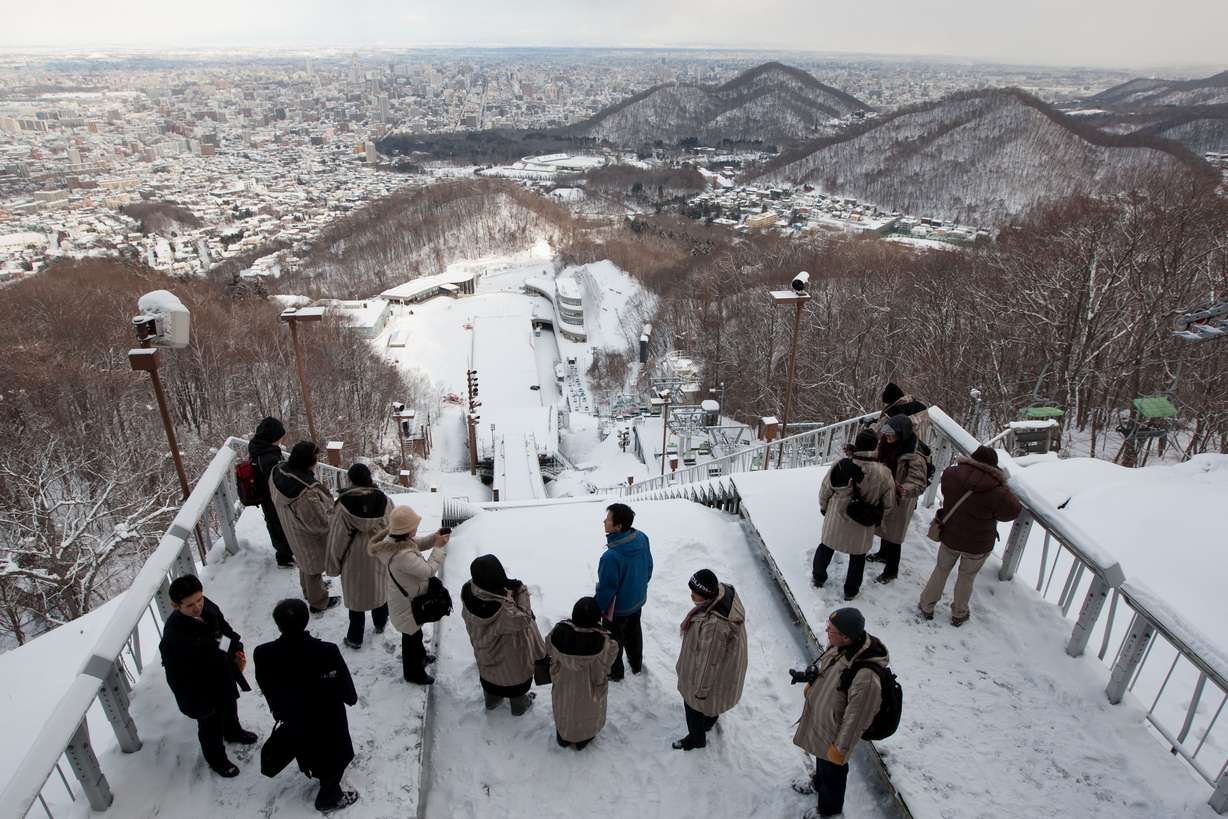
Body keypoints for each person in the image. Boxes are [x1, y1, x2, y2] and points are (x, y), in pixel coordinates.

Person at [254, 598, 359, 813]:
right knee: (339, 753)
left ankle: (313, 768)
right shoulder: (326, 651)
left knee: (307, 749)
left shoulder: (263, 653)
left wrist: (280, 708)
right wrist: (347, 697)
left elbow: (266, 686)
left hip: (294, 717)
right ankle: (329, 796)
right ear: (306, 620)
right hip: (328, 717)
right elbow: (349, 693)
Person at [792, 608, 890, 818]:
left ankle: (829, 811)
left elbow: (857, 719)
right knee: (821, 759)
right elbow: (829, 671)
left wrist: (840, 749)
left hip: (836, 733)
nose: (826, 630)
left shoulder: (866, 678)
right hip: (824, 722)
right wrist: (811, 681)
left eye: (831, 629)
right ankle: (818, 783)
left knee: (833, 773)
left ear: (846, 636)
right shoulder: (840, 646)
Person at [158, 574, 256, 778]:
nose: (198, 607)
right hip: (199, 688)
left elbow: (219, 632)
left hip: (221, 672)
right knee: (210, 725)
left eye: (200, 600)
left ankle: (232, 731)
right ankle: (217, 759)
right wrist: (194, 705)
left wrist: (235, 647)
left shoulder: (206, 608)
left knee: (229, 704)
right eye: (190, 605)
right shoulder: (173, 639)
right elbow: (177, 678)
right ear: (176, 606)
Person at [919, 445, 1022, 626]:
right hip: (978, 544)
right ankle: (959, 613)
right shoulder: (998, 491)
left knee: (941, 570)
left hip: (951, 534)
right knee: (966, 577)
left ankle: (926, 605)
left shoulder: (951, 474)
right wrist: (1004, 482)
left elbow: (946, 491)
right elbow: (1012, 511)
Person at [370, 506, 449, 684]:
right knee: (411, 640)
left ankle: (420, 657)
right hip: (407, 605)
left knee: (414, 635)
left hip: (404, 599)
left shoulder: (393, 542)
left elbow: (416, 544)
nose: (416, 529)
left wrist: (434, 538)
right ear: (406, 530)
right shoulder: (403, 556)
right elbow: (428, 570)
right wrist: (438, 547)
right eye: (414, 526)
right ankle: (414, 674)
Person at [813, 430, 895, 600]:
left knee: (826, 547)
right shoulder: (884, 473)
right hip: (863, 523)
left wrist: (824, 507)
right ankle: (850, 591)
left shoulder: (841, 464)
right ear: (875, 446)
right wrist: (877, 518)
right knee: (858, 558)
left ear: (857, 444)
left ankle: (818, 578)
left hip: (836, 517)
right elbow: (888, 503)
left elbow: (825, 490)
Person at [460, 554, 547, 715]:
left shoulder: (468, 590)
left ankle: (492, 701)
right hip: (509, 661)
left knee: (490, 680)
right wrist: (521, 590)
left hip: (484, 655)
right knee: (513, 681)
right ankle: (519, 706)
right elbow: (524, 618)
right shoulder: (504, 612)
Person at [672, 569, 747, 751]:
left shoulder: (715, 626)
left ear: (706, 594)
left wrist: (700, 691)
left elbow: (708, 662)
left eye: (694, 593)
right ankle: (709, 719)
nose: (691, 596)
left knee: (693, 705)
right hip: (726, 667)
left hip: (712, 672)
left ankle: (697, 739)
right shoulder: (722, 594)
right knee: (712, 703)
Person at [326, 464, 393, 649]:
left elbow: (337, 538)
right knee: (379, 589)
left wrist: (334, 564)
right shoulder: (384, 500)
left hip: (353, 558)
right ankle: (380, 623)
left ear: (351, 480)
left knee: (356, 597)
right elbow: (392, 527)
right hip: (379, 552)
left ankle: (355, 637)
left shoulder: (343, 505)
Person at [269, 441, 339, 614]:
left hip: (290, 526)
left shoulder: (278, 471)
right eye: (315, 457)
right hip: (306, 536)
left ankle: (309, 590)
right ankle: (318, 602)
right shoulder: (306, 492)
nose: (317, 460)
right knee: (312, 566)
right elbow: (319, 523)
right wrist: (334, 514)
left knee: (304, 562)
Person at [547, 597, 619, 750]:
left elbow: (547, 647)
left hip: (563, 687)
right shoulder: (605, 644)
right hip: (590, 692)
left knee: (565, 706)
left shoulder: (558, 633)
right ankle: (583, 738)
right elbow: (611, 657)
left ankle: (564, 736)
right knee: (587, 710)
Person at [866, 415, 929, 584]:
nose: (887, 437)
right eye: (886, 433)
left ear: (902, 434)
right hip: (886, 493)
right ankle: (882, 553)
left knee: (894, 536)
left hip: (901, 499)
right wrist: (858, 452)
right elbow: (875, 456)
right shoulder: (886, 445)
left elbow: (918, 481)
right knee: (884, 527)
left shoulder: (914, 455)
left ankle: (891, 571)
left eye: (891, 434)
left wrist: (904, 489)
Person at [594, 502, 653, 681]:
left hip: (617, 610)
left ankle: (615, 672)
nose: (604, 521)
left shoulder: (611, 557)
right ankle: (636, 664)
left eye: (608, 519)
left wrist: (597, 610)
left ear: (618, 526)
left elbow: (606, 590)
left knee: (613, 641)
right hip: (637, 600)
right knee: (634, 632)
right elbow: (649, 567)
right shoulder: (642, 537)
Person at [248, 416, 295, 567]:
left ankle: (284, 553)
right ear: (272, 437)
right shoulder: (268, 456)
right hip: (271, 497)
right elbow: (276, 480)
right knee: (277, 524)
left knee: (275, 523)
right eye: (279, 437)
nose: (280, 440)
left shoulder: (260, 449)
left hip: (266, 495)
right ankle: (284, 557)